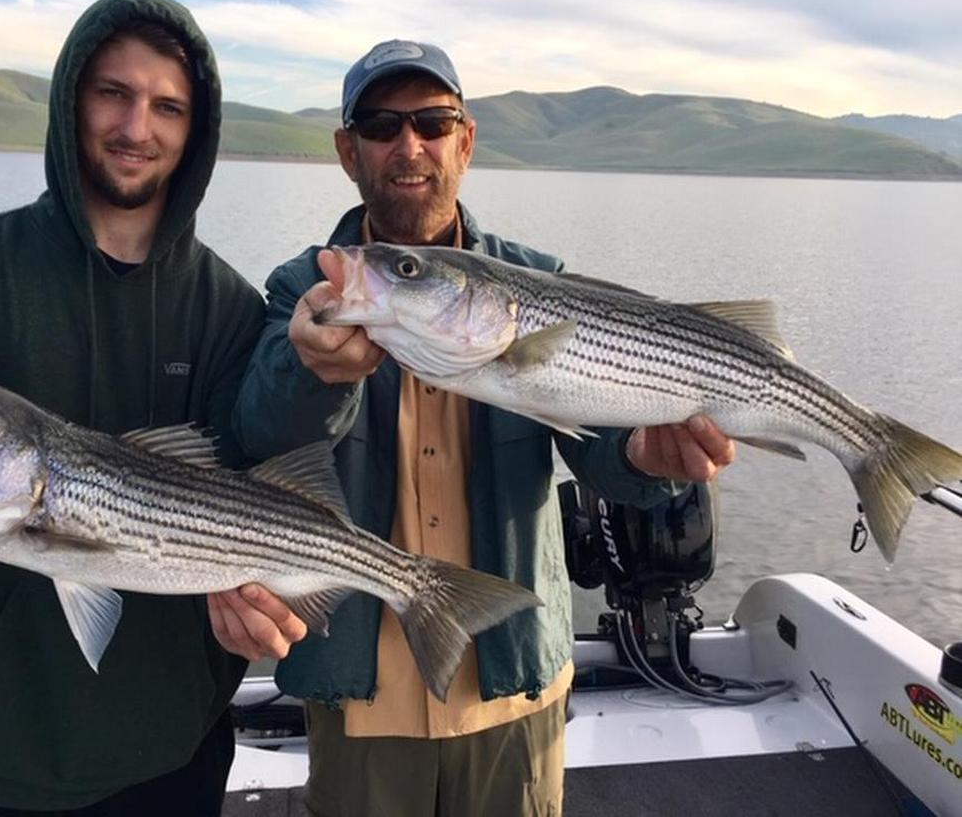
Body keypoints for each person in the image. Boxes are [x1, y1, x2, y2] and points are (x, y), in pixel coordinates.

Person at [212, 40, 736, 816]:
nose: (409, 146)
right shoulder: (309, 286)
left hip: (512, 685)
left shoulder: (541, 282)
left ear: (466, 140)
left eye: (432, 121)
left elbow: (601, 457)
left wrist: (647, 455)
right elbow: (258, 433)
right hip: (363, 693)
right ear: (347, 149)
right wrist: (311, 373)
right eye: (382, 125)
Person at [0, 0, 284, 815]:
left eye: (167, 107)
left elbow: (260, 488)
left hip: (171, 758)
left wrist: (261, 599)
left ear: (195, 131)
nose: (137, 127)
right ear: (72, 98)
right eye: (113, 92)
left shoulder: (230, 309)